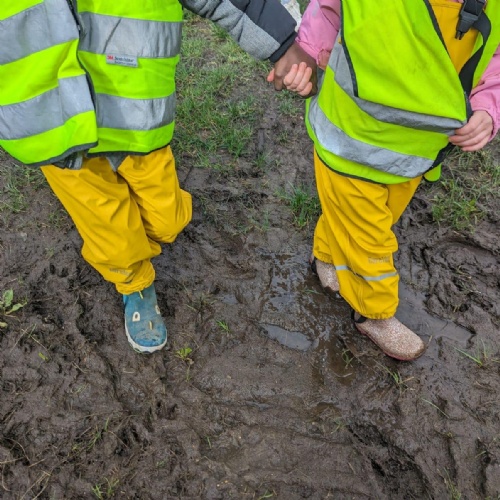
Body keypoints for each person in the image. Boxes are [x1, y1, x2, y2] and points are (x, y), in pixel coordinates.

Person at [0, 0, 315, 353]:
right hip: (48, 117)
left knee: (167, 220)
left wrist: (281, 44)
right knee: (107, 225)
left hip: (133, 107)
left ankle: (140, 236)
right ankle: (134, 282)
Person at [268, 0, 500, 360]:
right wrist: (306, 55)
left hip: (416, 148)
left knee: (367, 217)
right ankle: (374, 312)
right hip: (350, 137)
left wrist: (489, 105)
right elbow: (329, 8)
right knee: (369, 236)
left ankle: (326, 255)